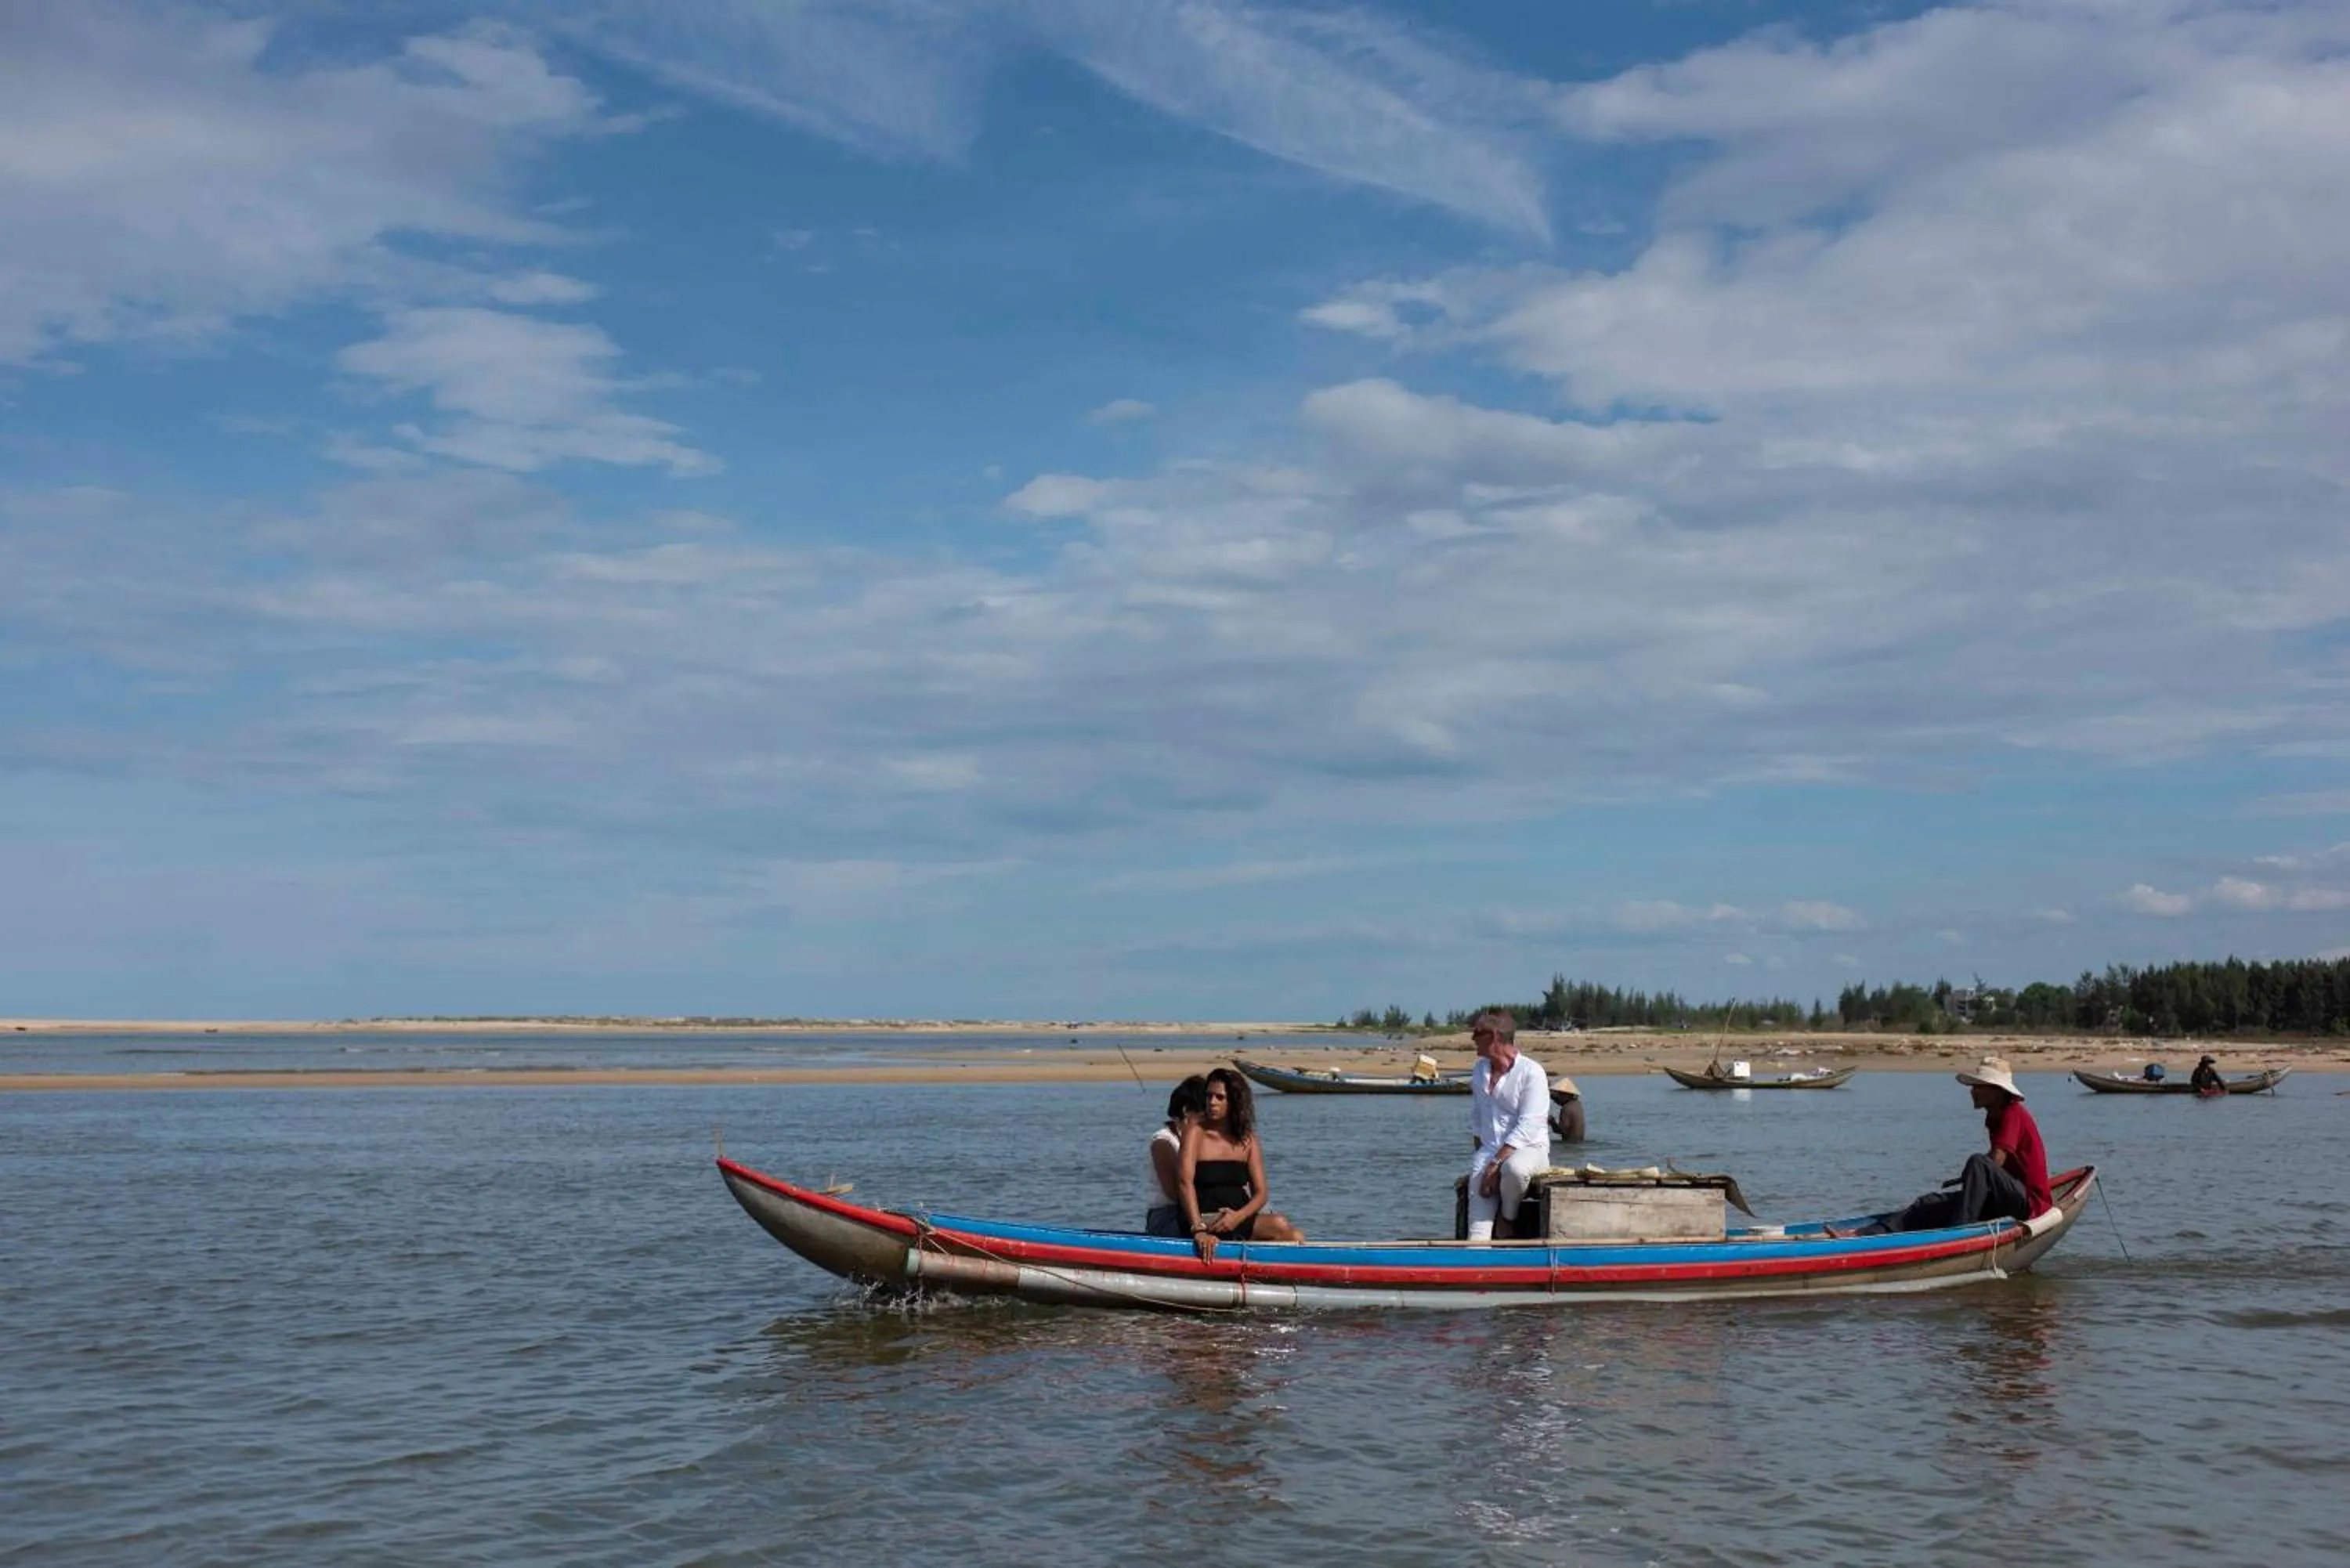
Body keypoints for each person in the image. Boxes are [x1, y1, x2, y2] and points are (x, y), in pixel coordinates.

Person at [1860, 1056, 2052, 1234]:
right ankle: (1871, 1233)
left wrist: (1975, 1175)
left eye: (1979, 1086)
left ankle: (1959, 1233)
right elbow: (1996, 1165)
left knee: (1978, 1162)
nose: (1972, 1091)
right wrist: (1972, 1180)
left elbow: (1995, 1161)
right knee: (1928, 1203)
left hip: (2028, 1203)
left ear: (1997, 1091)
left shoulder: (2013, 1113)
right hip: (2005, 1195)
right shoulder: (1994, 1115)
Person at [1179, 1066, 1303, 1259]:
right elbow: (1184, 1183)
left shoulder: (1248, 1139)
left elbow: (1261, 1193)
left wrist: (1239, 1216)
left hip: (1238, 1218)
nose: (1212, 1102)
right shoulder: (1195, 1131)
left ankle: (1278, 1281)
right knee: (1280, 1226)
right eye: (1209, 1096)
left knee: (1292, 1233)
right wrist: (1199, 1230)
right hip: (1205, 1218)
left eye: (1220, 1098)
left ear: (1234, 1101)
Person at [1466, 1010, 1550, 1241]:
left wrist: (1496, 1163)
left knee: (1515, 1169)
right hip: (1489, 1150)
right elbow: (1477, 1117)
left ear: (1494, 1036)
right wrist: (1482, 1161)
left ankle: (1508, 1218)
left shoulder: (1531, 1072)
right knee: (1477, 1234)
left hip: (1530, 1149)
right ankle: (1477, 1263)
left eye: (1478, 1033)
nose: (1473, 1038)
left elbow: (1529, 1125)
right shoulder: (1479, 1070)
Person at [1146, 1075, 1210, 1236]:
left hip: (1201, 1210)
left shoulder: (1206, 1137)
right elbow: (1174, 1193)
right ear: (1187, 1111)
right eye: (1203, 1116)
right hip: (1167, 1215)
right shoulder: (1163, 1142)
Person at [1548, 1076, 1586, 1144]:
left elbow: (1562, 1130)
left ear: (1565, 1095)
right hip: (1579, 1143)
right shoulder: (1577, 1104)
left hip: (1569, 1145)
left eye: (1559, 1095)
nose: (1556, 1100)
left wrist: (1552, 1122)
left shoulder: (1566, 1108)